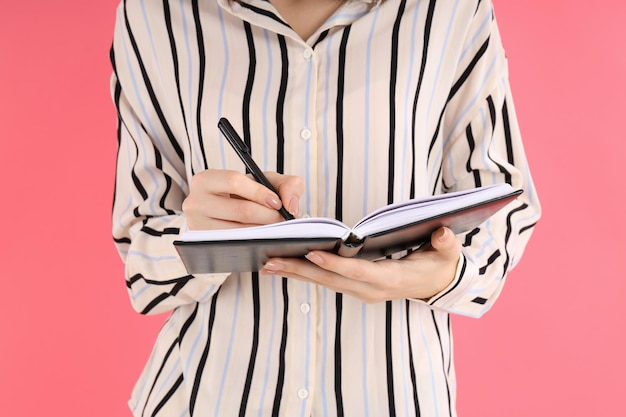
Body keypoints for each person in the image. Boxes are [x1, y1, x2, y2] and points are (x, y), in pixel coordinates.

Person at [109, 0, 541, 415]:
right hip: (208, 397)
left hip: (396, 396)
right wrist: (200, 235)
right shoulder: (155, 15)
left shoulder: (452, 10)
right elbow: (142, 262)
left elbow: (505, 206)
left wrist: (444, 274)